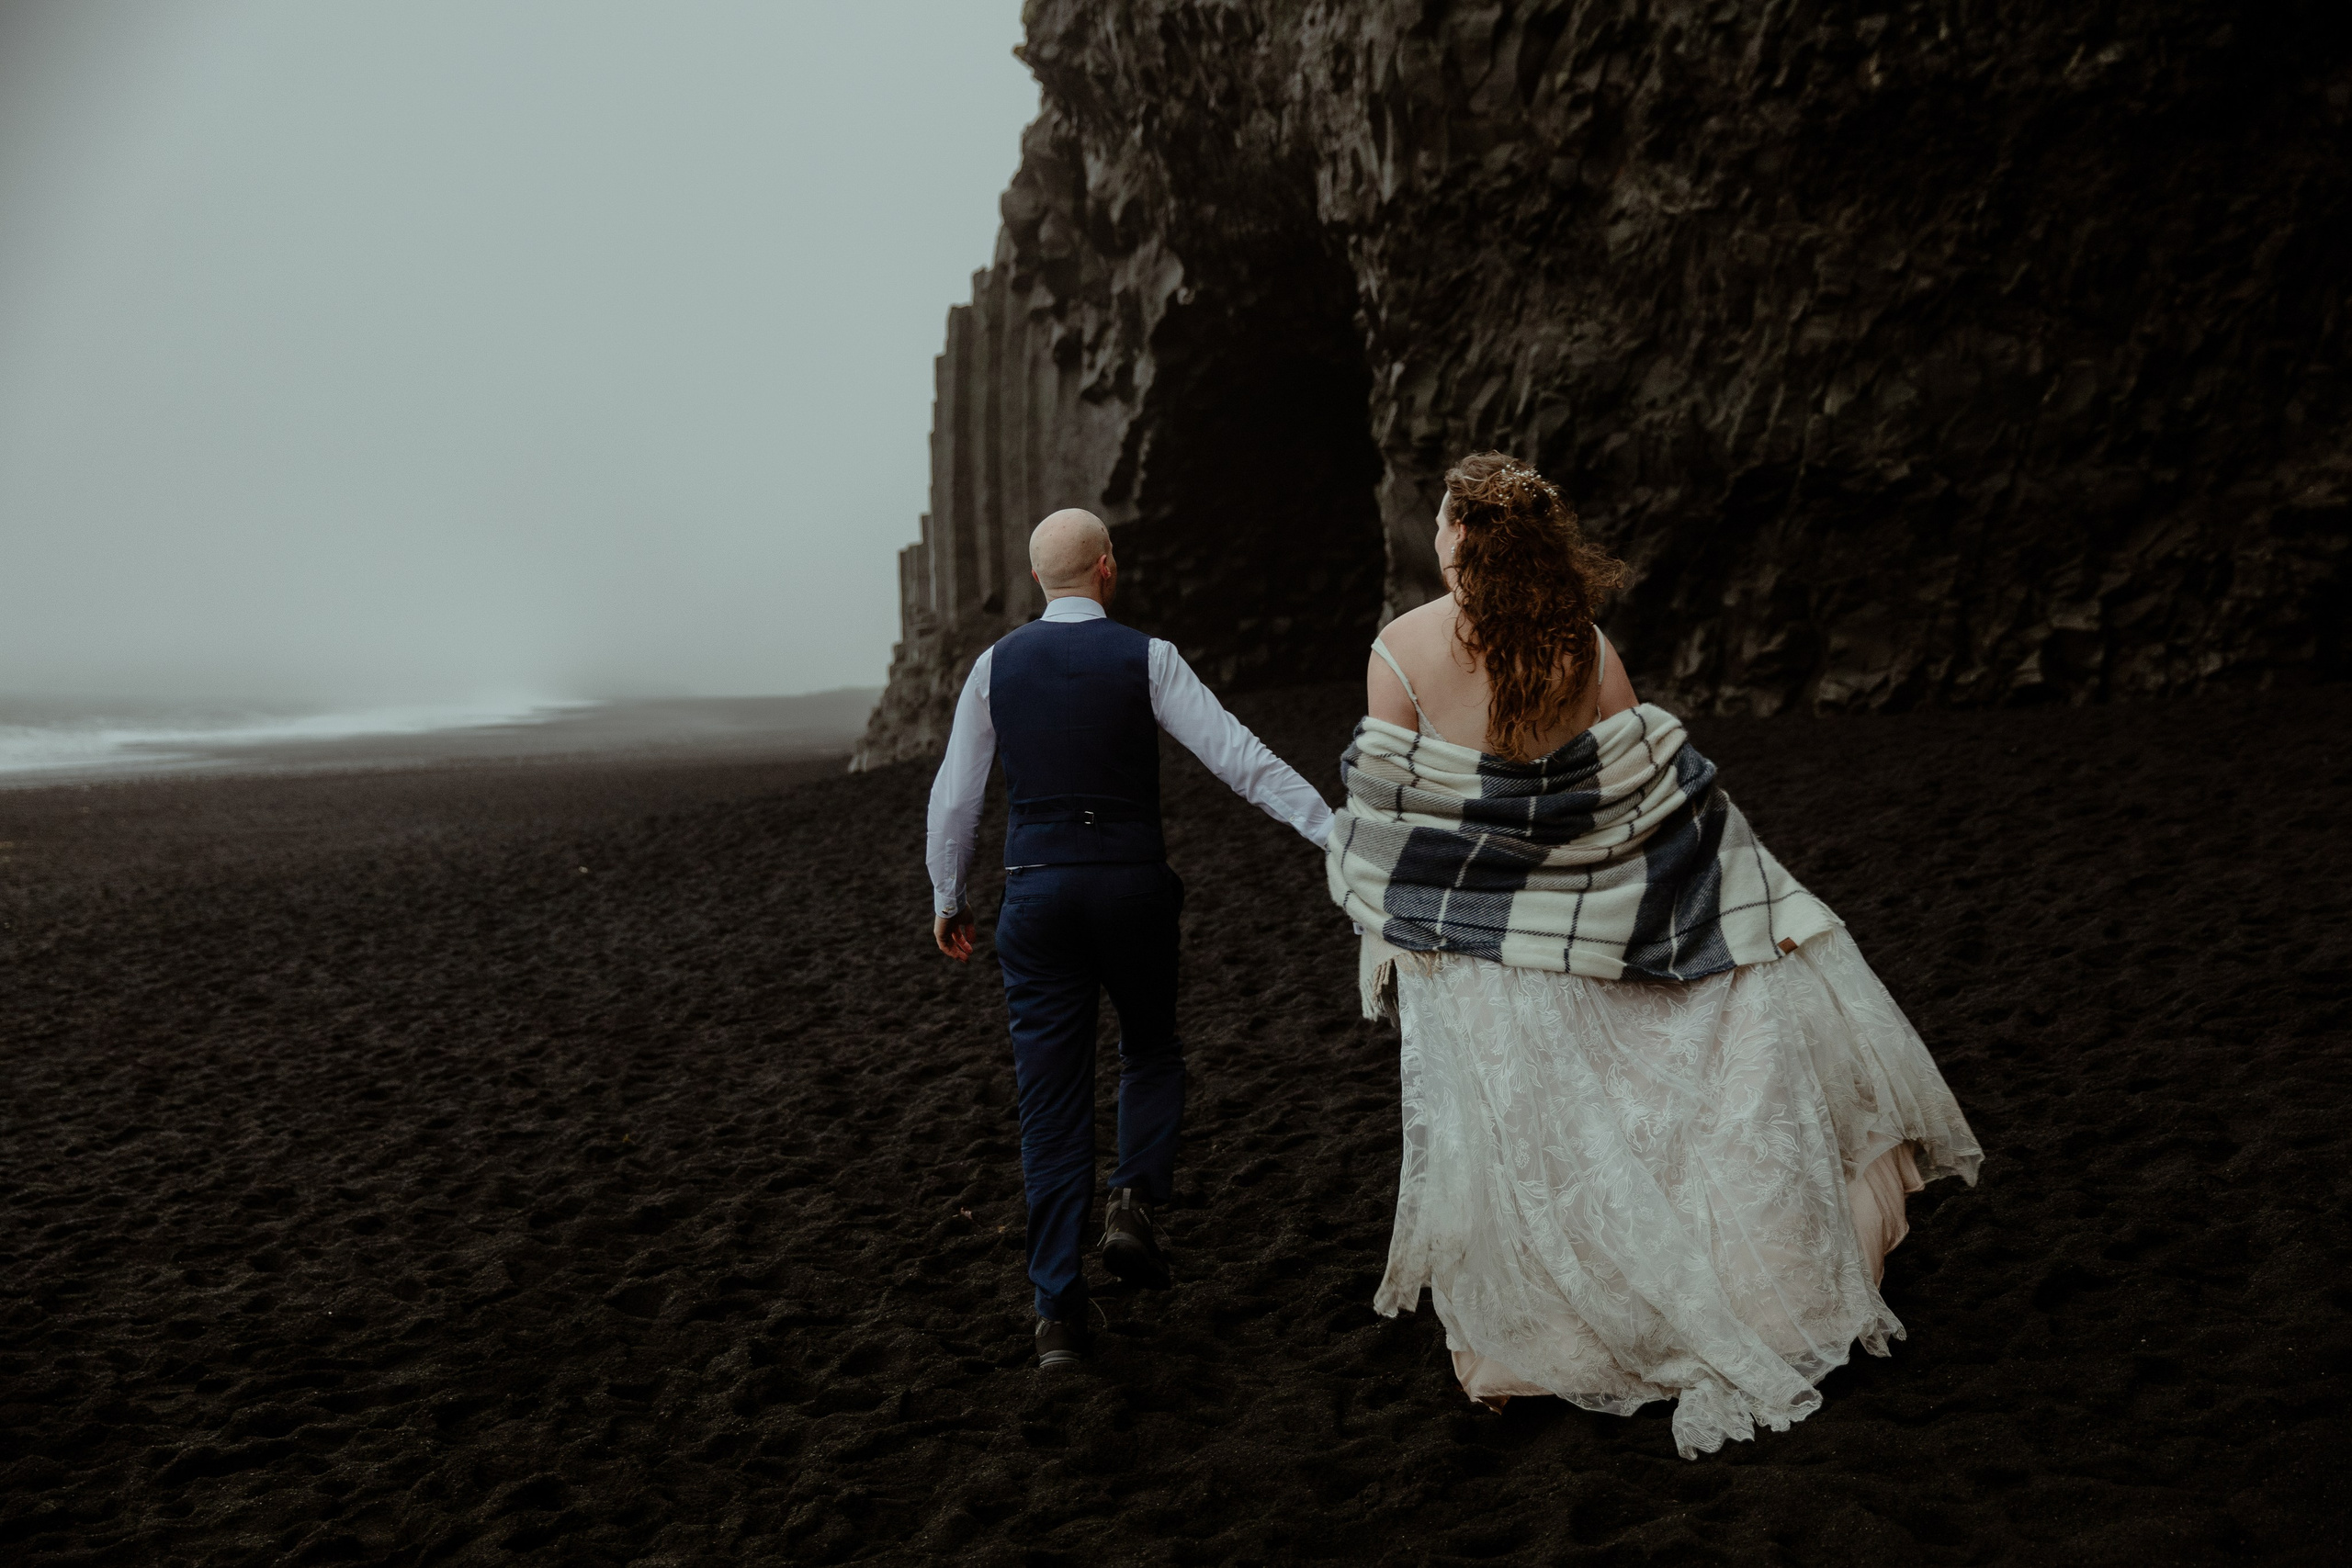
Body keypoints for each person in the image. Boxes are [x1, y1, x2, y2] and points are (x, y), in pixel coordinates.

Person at [1325, 452, 1983, 1459]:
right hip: (1599, 917)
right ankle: (1732, 1287)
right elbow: (1645, 784)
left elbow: (1394, 813)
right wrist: (1727, 889)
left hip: (1489, 929)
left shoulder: (1400, 649)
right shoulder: (1581, 640)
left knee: (1548, 1135)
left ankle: (1561, 1330)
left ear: (1456, 538)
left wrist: (1400, 922)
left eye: (1445, 523)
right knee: (1661, 1112)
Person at [927, 508, 1333, 1371]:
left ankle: (1057, 1315)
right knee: (1149, 1048)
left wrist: (948, 895)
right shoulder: (1148, 656)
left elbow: (957, 797)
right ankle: (1133, 1198)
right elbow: (1238, 756)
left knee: (1049, 1102)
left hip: (1036, 895)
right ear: (1107, 567)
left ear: (1037, 579)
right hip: (1131, 888)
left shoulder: (995, 665)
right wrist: (1332, 832)